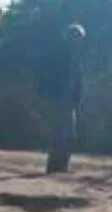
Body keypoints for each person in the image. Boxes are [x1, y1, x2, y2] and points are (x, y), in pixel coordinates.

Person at [39, 23, 86, 174]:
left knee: (69, 135)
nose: (78, 41)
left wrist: (77, 98)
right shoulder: (60, 55)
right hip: (59, 99)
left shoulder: (75, 56)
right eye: (76, 38)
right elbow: (49, 77)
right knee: (60, 134)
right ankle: (54, 167)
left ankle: (62, 167)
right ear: (70, 38)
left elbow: (77, 80)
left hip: (70, 100)